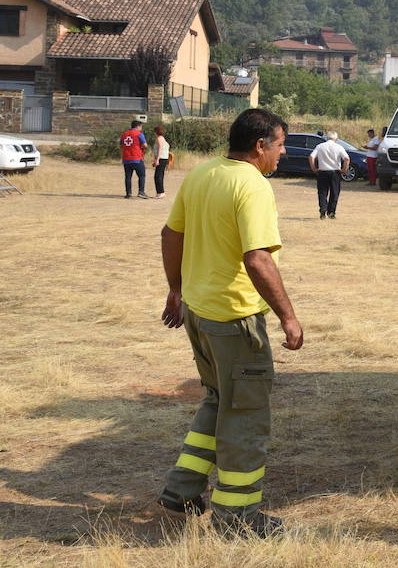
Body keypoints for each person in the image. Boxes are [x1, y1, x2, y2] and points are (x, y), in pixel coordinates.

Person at [156, 108, 302, 537]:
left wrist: (176, 289)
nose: (283, 151)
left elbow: (170, 234)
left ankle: (182, 489)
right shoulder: (252, 186)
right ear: (260, 146)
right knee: (246, 415)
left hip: (199, 314)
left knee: (218, 400)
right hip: (235, 319)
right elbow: (257, 258)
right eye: (280, 143)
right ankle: (237, 518)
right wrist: (288, 317)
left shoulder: (201, 174)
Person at [309, 130, 349, 220]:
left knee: (322, 192)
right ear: (336, 139)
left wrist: (314, 168)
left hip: (322, 171)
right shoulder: (339, 147)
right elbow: (346, 158)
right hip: (335, 172)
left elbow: (311, 157)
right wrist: (344, 170)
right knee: (334, 193)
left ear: (327, 138)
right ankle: (331, 212)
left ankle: (323, 211)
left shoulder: (320, 146)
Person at [121, 119, 150, 199]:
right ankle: (141, 192)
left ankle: (128, 193)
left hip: (126, 159)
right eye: (141, 127)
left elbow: (121, 145)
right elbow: (145, 145)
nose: (141, 128)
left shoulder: (124, 134)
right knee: (142, 175)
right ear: (138, 126)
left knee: (128, 177)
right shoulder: (139, 134)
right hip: (136, 158)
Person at [151, 126, 172, 198]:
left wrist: (157, 160)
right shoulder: (163, 139)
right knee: (160, 175)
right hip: (164, 158)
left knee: (158, 176)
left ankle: (161, 192)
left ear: (156, 132)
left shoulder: (159, 139)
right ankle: (160, 192)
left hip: (161, 159)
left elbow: (160, 149)